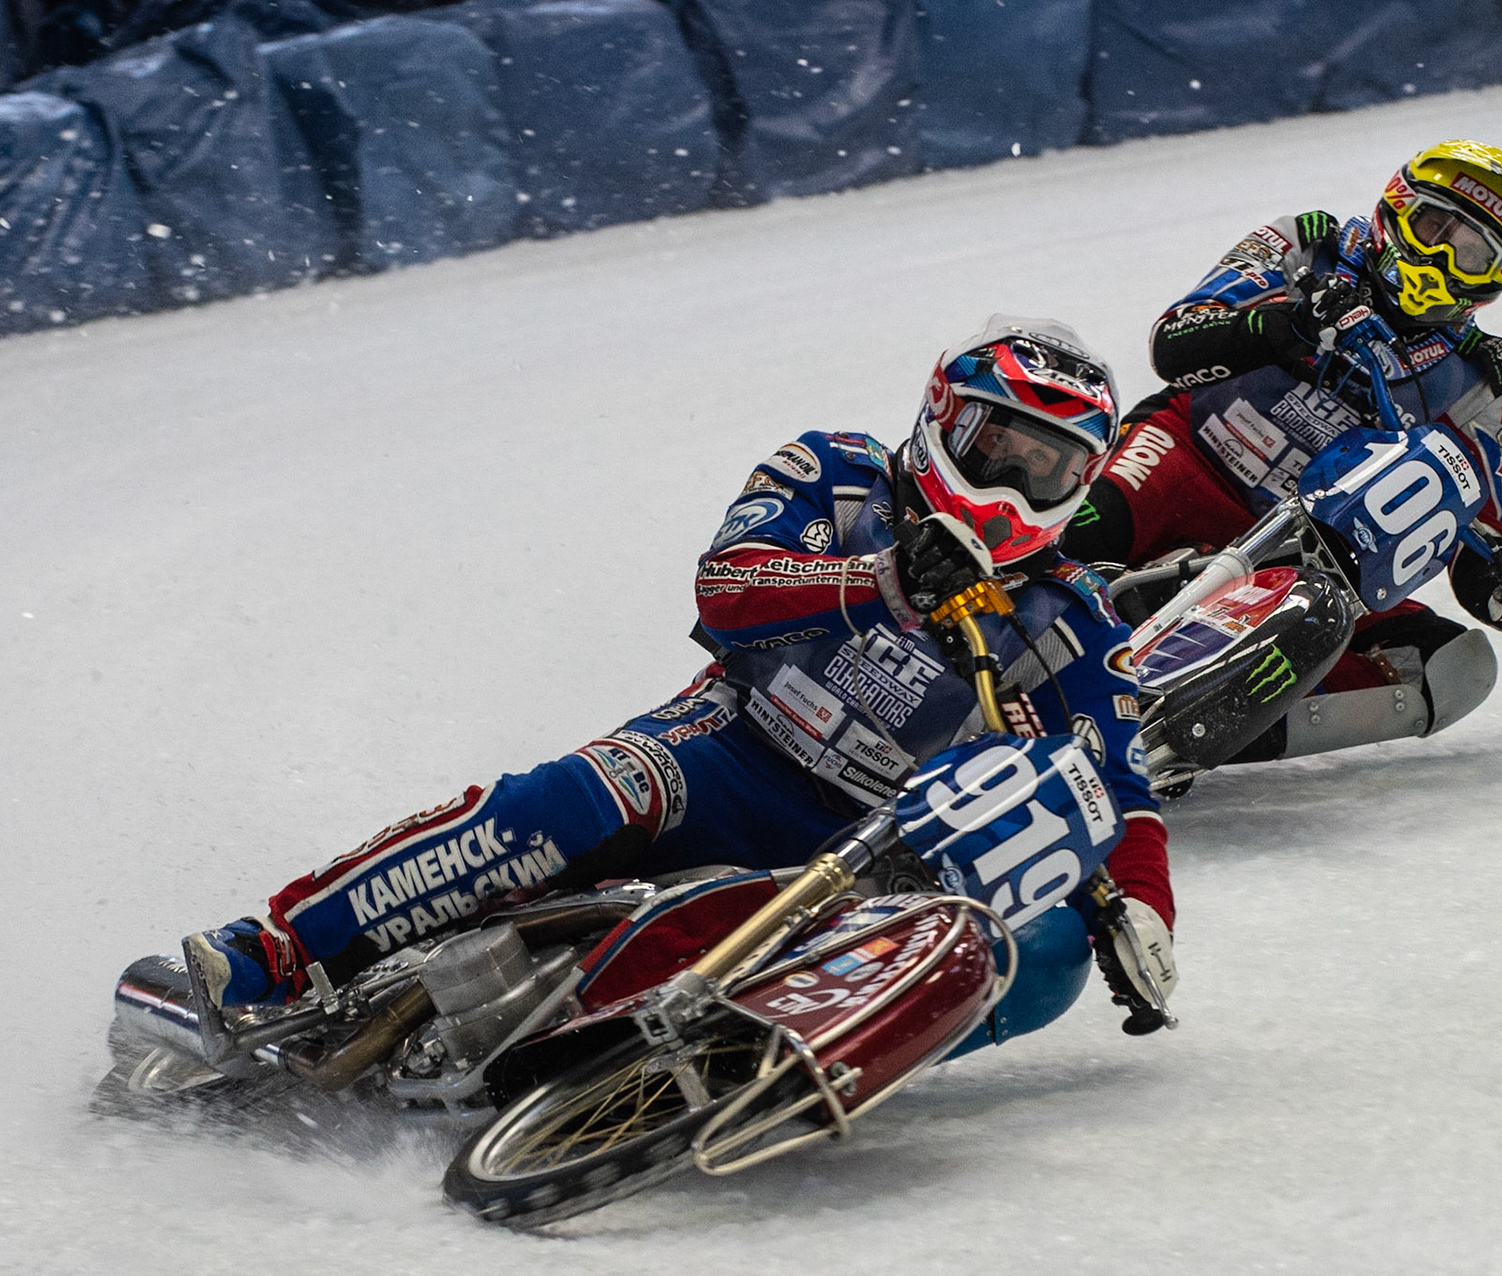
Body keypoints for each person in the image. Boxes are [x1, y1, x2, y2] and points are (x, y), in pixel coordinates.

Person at [184, 316, 1178, 1046]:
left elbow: (1116, 786)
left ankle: (750, 1065)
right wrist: (881, 582)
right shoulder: (835, 472)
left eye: (1047, 468)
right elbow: (728, 588)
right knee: (570, 800)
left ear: (1080, 484)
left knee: (1041, 953)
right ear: (943, 420)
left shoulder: (1074, 616)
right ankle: (271, 952)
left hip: (879, 846)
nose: (1011, 485)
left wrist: (1141, 910)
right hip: (727, 747)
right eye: (996, 446)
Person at [1061, 140, 1502, 753]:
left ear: (1497, 277)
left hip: (1304, 555)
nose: (1438, 254)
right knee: (1072, 536)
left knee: (1452, 668)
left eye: (1470, 251)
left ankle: (1186, 734)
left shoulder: (1480, 378)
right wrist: (1290, 323)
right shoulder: (1307, 244)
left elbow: (1479, 531)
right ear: (1396, 208)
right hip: (1185, 460)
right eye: (1433, 225)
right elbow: (1173, 343)